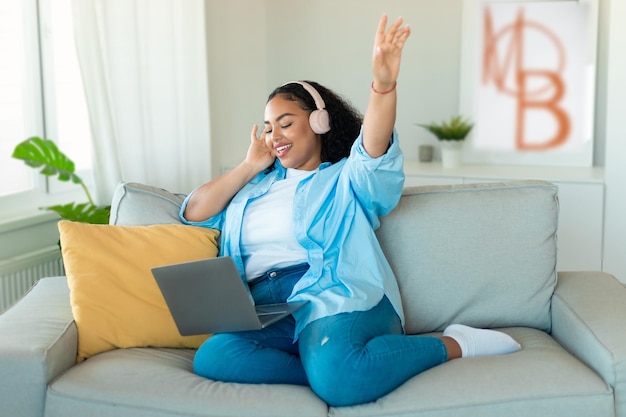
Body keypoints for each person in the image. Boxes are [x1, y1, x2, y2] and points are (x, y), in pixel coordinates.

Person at [180, 14, 521, 407]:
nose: (274, 135)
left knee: (342, 381)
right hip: (266, 308)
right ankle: (325, 365)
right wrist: (247, 167)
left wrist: (384, 85)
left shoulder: (344, 178)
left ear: (320, 121)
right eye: (269, 127)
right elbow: (195, 212)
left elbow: (373, 150)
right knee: (215, 355)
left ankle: (453, 343)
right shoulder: (251, 189)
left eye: (286, 123)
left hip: (332, 293)